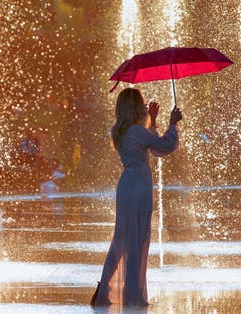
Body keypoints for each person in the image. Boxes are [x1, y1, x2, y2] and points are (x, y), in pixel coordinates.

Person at [91, 88, 182, 307]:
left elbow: (149, 141)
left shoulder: (123, 131)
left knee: (122, 240)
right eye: (140, 103)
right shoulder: (137, 132)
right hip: (139, 187)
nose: (143, 106)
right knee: (136, 239)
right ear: (134, 107)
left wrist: (152, 120)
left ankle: (103, 292)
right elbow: (165, 146)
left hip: (127, 186)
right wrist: (173, 123)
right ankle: (132, 294)